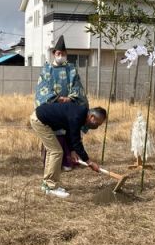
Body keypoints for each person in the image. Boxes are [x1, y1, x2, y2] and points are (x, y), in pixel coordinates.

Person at [30, 102, 106, 198]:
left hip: (40, 119)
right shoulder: (78, 116)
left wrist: (72, 151)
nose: (97, 126)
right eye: (98, 123)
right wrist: (89, 162)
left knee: (54, 151)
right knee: (56, 152)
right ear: (92, 117)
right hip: (40, 121)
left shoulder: (80, 114)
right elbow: (76, 141)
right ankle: (51, 187)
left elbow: (69, 132)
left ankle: (47, 184)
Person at [35, 35, 88, 171]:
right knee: (55, 136)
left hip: (69, 105)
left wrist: (70, 98)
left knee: (70, 130)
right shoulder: (47, 70)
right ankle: (54, 163)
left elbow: (77, 86)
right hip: (53, 106)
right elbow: (43, 88)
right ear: (54, 54)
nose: (61, 56)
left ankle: (70, 161)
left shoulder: (71, 69)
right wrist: (57, 98)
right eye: (58, 53)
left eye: (63, 54)